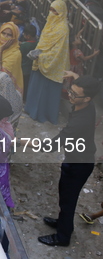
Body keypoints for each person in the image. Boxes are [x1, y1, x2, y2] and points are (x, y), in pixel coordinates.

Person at [38, 74, 100, 247]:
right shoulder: (86, 104)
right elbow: (84, 84)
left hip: (78, 164)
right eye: (70, 91)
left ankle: (63, 237)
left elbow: (51, 146)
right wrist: (76, 77)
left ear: (87, 98)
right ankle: (62, 223)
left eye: (74, 94)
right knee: (65, 197)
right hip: (76, 159)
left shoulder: (80, 122)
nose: (70, 96)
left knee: (68, 201)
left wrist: (21, 142)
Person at [25, 0, 70, 124]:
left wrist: (42, 56)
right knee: (36, 90)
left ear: (61, 12)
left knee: (45, 94)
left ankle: (43, 115)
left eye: (55, 10)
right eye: (51, 9)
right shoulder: (50, 23)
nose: (52, 13)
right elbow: (43, 41)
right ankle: (31, 110)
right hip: (40, 62)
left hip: (51, 64)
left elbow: (58, 51)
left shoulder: (63, 29)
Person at [0, 22, 23, 93]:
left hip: (5, 90)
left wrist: (0, 51)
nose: (5, 36)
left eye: (9, 35)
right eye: (3, 33)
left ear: (14, 37)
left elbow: (0, 73)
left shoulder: (15, 54)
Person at [19, 24, 38, 100]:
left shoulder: (24, 46)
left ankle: (23, 99)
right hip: (32, 68)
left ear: (28, 36)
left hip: (24, 69)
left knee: (24, 86)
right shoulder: (37, 43)